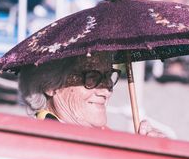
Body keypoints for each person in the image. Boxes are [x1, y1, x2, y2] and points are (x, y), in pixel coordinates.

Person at [18, 52, 165, 137]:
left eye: (108, 76)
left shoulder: (94, 135)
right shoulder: (49, 140)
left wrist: (145, 152)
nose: (106, 90)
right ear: (50, 85)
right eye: (91, 77)